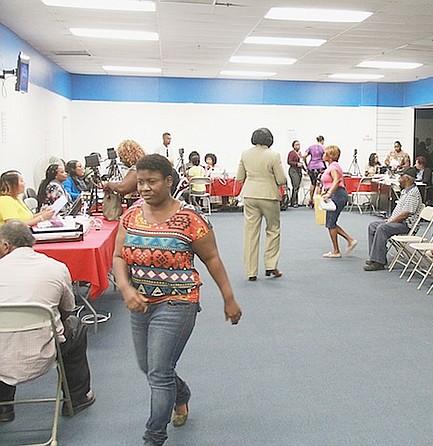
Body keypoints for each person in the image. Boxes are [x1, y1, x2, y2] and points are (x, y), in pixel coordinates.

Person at [111, 154, 241, 446]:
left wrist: (228, 298)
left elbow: (212, 259)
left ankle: (154, 437)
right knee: (150, 367)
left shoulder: (191, 219)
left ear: (169, 181)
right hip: (140, 303)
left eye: (152, 182)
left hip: (178, 303)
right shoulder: (131, 215)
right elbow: (119, 256)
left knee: (157, 373)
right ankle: (181, 394)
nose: (144, 188)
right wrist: (125, 288)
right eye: (140, 182)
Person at [0, 221, 95, 422]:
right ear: (32, 240)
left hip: (1, 358)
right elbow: (67, 309)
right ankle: (76, 399)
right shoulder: (56, 268)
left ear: (6, 245)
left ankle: (4, 408)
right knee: (75, 326)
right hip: (45, 351)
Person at [236, 127, 287, 281]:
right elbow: (281, 180)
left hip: (250, 195)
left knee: (250, 233)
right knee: (273, 229)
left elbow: (239, 177)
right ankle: (271, 265)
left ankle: (251, 272)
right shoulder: (274, 155)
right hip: (269, 195)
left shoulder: (245, 154)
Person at [364, 167, 422, 271]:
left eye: (401, 176)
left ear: (407, 179)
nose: (399, 179)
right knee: (373, 226)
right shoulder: (406, 191)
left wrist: (390, 221)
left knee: (382, 228)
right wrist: (390, 219)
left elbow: (405, 214)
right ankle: (375, 257)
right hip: (398, 222)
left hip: (406, 225)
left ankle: (379, 262)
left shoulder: (413, 193)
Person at [320, 145, 357, 258]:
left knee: (330, 223)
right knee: (331, 222)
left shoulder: (334, 166)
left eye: (325, 153)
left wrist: (329, 193)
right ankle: (349, 240)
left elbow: (336, 181)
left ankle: (336, 251)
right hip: (337, 194)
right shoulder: (331, 166)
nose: (323, 155)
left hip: (337, 194)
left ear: (330, 156)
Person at [303, 135, 326, 208]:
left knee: (313, 183)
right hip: (320, 167)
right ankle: (317, 201)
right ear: (322, 141)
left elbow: (304, 156)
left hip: (311, 166)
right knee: (319, 184)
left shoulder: (311, 147)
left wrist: (306, 164)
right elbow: (326, 156)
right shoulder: (323, 147)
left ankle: (311, 200)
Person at [287, 140, 304, 208]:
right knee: (295, 186)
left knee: (297, 186)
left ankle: (294, 201)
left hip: (299, 170)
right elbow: (289, 161)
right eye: (296, 145)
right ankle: (294, 202)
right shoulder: (291, 153)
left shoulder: (299, 153)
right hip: (293, 170)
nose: (298, 146)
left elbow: (302, 162)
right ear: (293, 146)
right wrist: (296, 164)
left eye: (299, 144)